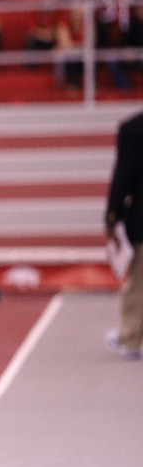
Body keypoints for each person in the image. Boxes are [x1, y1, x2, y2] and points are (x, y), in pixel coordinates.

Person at [105, 109, 143, 360]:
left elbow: (123, 177)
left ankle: (130, 338)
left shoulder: (133, 129)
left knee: (138, 283)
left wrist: (112, 215)